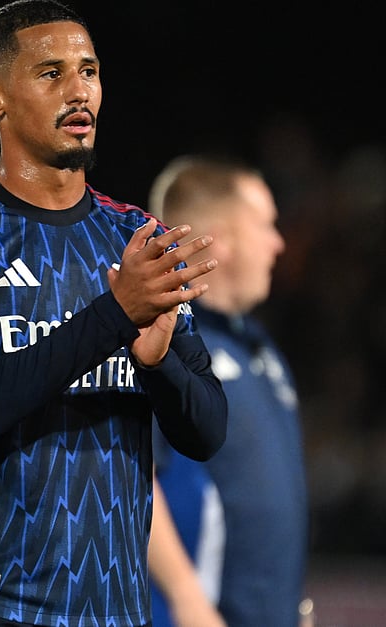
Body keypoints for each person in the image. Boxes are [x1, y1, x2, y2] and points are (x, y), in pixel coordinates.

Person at [0, 0, 230, 626]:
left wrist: (158, 367)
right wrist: (114, 316)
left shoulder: (137, 235)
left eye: (90, 71)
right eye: (51, 74)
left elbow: (206, 432)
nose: (80, 92)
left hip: (117, 608)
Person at [145, 155, 307, 627]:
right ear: (221, 239)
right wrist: (186, 599)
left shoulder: (260, 347)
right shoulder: (161, 341)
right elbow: (132, 476)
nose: (278, 244)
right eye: (266, 225)